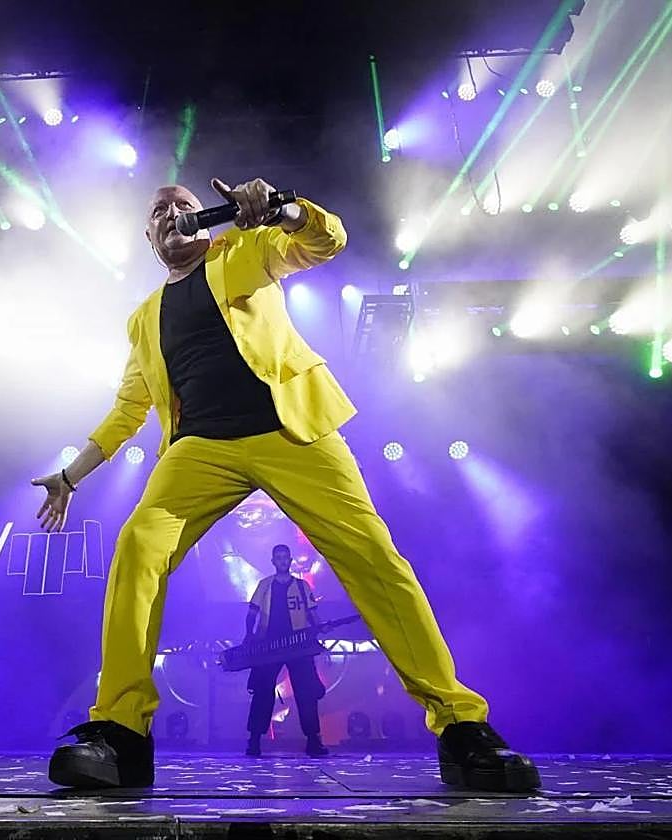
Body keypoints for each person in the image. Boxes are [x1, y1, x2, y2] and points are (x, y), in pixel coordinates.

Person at [32, 177, 540, 793]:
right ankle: (121, 732)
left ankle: (461, 726)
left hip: (291, 430)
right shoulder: (143, 320)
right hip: (200, 449)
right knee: (139, 545)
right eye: (160, 211)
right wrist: (69, 475)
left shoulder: (243, 252)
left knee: (373, 558)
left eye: (185, 206)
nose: (173, 214)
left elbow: (326, 241)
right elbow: (127, 410)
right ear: (148, 236)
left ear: (206, 220)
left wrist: (286, 208)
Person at [244, 544, 328, 758]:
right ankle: (254, 741)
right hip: (269, 644)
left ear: (289, 560)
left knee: (306, 693)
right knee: (263, 692)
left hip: (298, 644)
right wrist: (249, 635)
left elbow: (312, 614)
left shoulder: (302, 587)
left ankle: (313, 740)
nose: (282, 561)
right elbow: (251, 613)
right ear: (273, 561)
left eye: (285, 557)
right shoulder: (264, 585)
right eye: (278, 557)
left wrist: (319, 628)